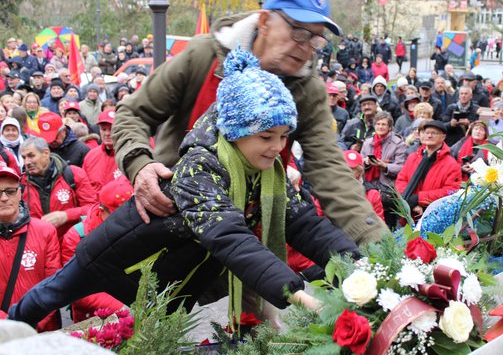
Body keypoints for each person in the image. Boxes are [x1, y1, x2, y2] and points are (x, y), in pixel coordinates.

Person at [9, 48, 359, 328]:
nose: (276, 147)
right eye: (266, 137)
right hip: (116, 260)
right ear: (234, 134)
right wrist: (301, 296)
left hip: (172, 278)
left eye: (283, 137)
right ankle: (10, 326)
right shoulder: (199, 168)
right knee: (49, 295)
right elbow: (230, 238)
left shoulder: (267, 171)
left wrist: (361, 267)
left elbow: (306, 225)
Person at [112, 0, 387, 245]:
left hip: (245, 240)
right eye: (299, 32)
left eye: (315, 39)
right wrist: (141, 166)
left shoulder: (307, 90)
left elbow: (329, 169)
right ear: (265, 22)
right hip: (174, 221)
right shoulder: (203, 56)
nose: (306, 48)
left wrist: (378, 247)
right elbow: (132, 114)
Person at [59, 179, 133, 323]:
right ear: (102, 211)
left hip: (134, 312)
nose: (127, 221)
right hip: (94, 320)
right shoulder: (77, 236)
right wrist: (123, 308)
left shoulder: (135, 224)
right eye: (118, 216)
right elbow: (75, 289)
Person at [0, 165, 61, 332]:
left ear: (19, 193)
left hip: (41, 331)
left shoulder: (45, 231)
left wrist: (31, 327)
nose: (4, 198)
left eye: (10, 191)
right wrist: (10, 328)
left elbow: (54, 285)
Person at [20, 136, 96, 238]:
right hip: (41, 246)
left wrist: (66, 216)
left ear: (46, 153)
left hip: (71, 245)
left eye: (31, 156)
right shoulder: (21, 184)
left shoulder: (73, 174)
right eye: (24, 158)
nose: (27, 162)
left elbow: (93, 208)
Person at [395, 120, 461, 220]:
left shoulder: (451, 164)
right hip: (407, 213)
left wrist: (419, 199)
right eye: (426, 132)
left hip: (434, 217)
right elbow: (401, 180)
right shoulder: (412, 157)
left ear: (443, 137)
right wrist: (411, 203)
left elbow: (450, 191)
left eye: (434, 133)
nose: (429, 136)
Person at [360, 111, 407, 228]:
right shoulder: (367, 142)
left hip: (388, 187)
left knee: (388, 222)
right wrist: (366, 162)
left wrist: (385, 166)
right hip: (369, 184)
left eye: (384, 124)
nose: (380, 127)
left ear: (390, 127)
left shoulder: (398, 143)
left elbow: (402, 167)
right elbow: (359, 164)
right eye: (378, 124)